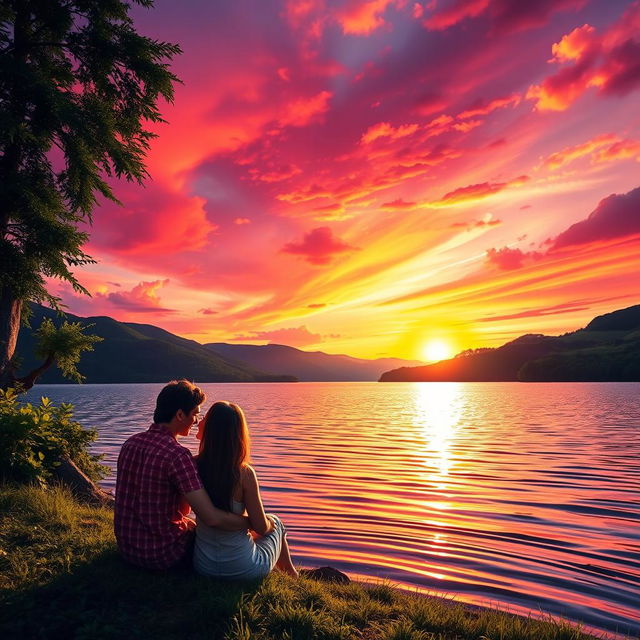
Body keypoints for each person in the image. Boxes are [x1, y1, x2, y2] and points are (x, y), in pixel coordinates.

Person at [114, 380, 248, 570]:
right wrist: (252, 523)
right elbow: (211, 518)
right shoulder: (177, 455)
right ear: (179, 414)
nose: (196, 421)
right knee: (207, 532)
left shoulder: (130, 444)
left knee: (191, 523)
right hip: (162, 555)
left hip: (127, 549)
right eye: (194, 414)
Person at [193, 401, 298, 579]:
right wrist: (269, 523)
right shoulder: (244, 473)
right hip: (244, 569)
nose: (200, 420)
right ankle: (292, 576)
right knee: (276, 522)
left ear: (211, 429)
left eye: (205, 419)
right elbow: (261, 527)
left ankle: (289, 575)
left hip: (204, 566)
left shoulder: (192, 466)